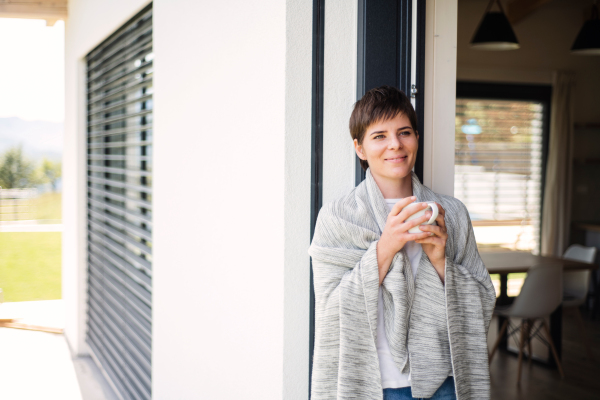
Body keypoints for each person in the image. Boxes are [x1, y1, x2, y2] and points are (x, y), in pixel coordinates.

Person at [308, 86, 496, 400]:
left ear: (417, 138)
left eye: (404, 132)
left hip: (444, 384)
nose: (395, 144)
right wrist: (386, 246)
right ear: (360, 148)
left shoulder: (453, 214)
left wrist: (440, 263)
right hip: (372, 384)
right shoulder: (337, 218)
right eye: (379, 135)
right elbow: (329, 311)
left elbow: (483, 300)